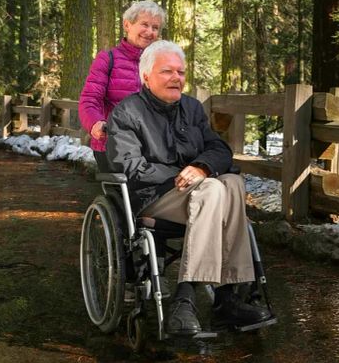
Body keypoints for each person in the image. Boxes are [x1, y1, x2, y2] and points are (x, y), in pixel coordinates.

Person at [105, 40, 271, 335]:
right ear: (146, 76)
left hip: (200, 194)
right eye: (167, 71)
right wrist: (185, 175)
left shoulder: (191, 108)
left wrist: (203, 167)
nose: (176, 78)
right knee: (212, 189)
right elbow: (129, 167)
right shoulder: (127, 113)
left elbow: (219, 148)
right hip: (153, 197)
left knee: (231, 181)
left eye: (180, 72)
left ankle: (227, 297)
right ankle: (186, 297)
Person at [79, 0, 165, 172]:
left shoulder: (161, 62)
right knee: (126, 195)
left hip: (152, 146)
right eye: (144, 25)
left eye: (155, 28)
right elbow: (89, 100)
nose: (150, 32)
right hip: (114, 145)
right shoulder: (107, 59)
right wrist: (96, 123)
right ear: (127, 24)